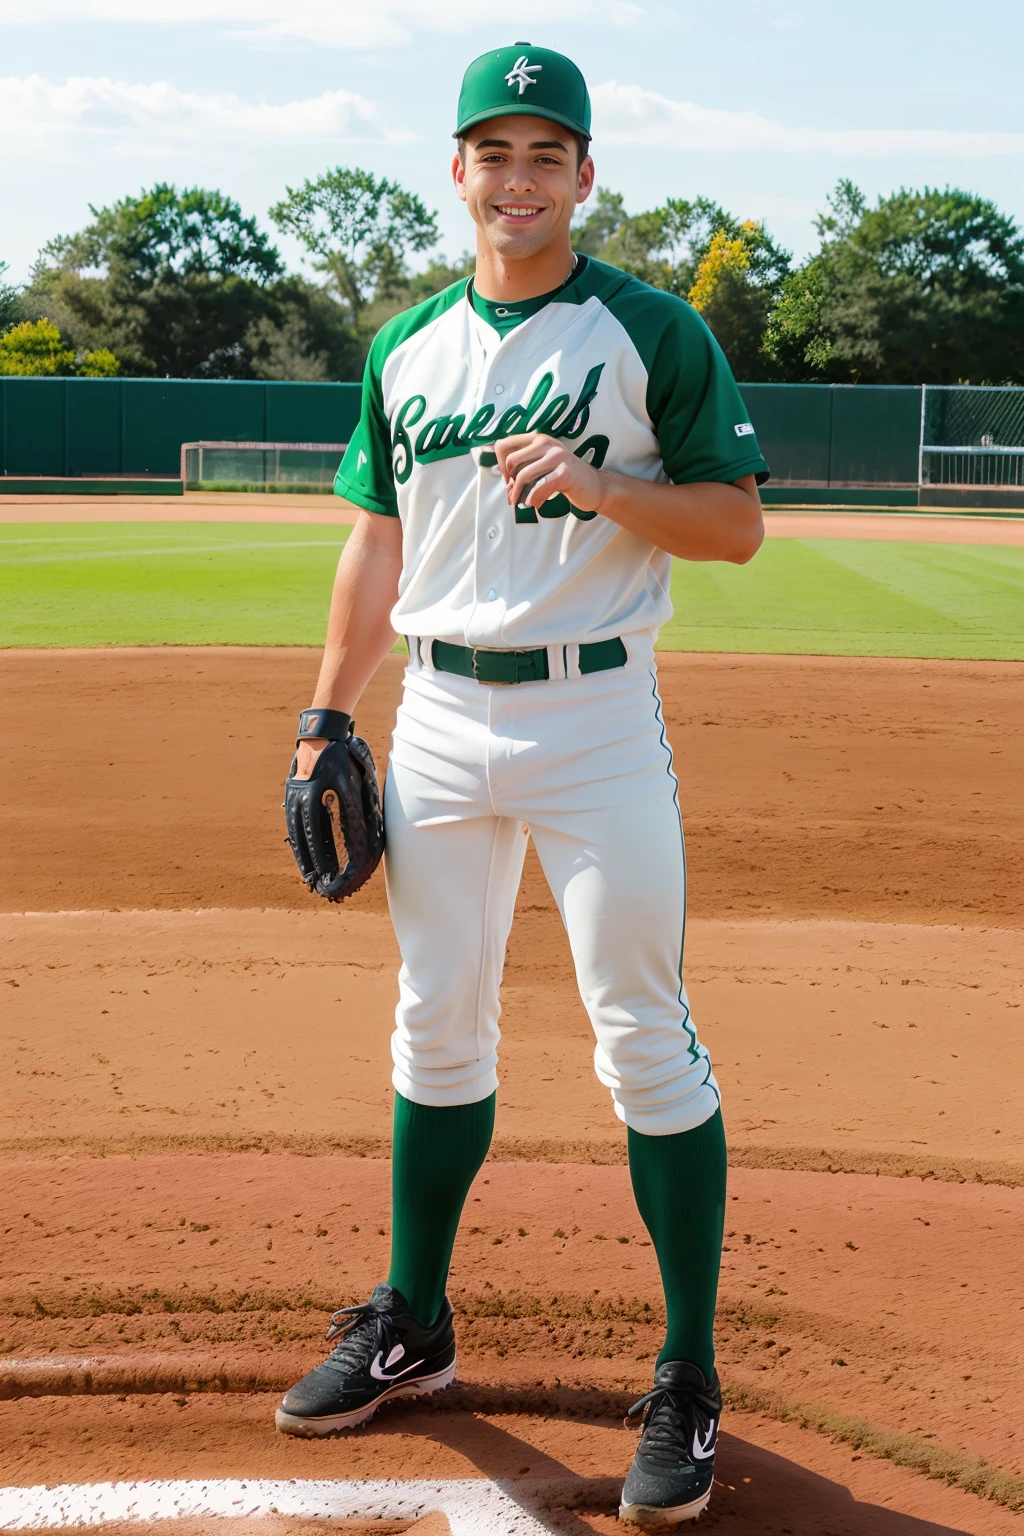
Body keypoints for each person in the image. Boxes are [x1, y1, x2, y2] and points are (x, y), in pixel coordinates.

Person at [275, 41, 768, 1527]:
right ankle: (412, 1318)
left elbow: (738, 526)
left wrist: (606, 482)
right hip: (435, 718)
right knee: (437, 1020)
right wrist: (322, 710)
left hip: (597, 717)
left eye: (547, 153)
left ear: (584, 177)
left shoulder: (647, 331)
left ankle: (685, 1371)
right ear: (460, 173)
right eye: (495, 152)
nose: (519, 178)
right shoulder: (408, 345)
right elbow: (377, 542)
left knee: (643, 1035)